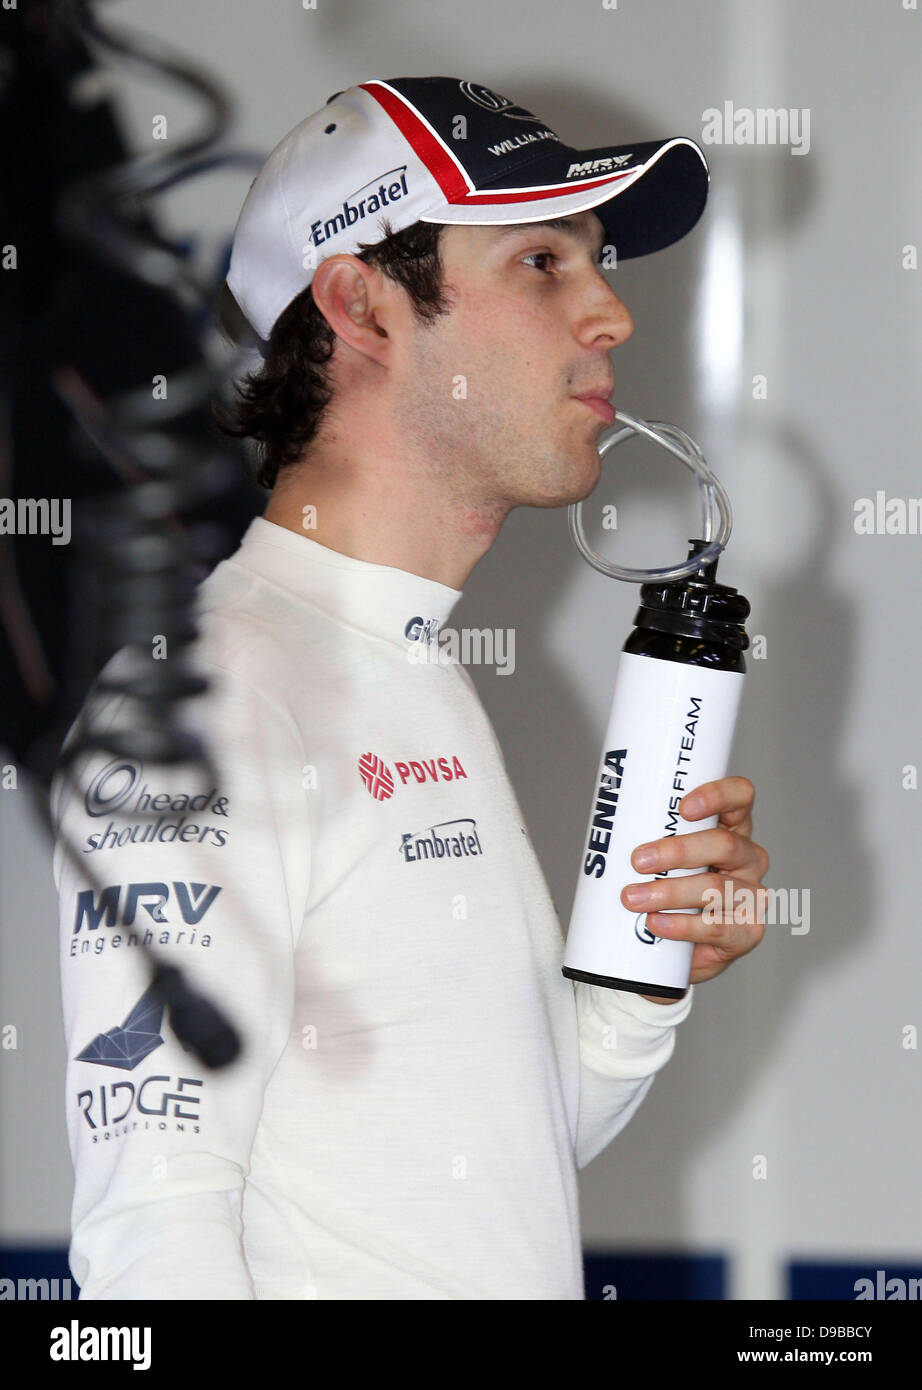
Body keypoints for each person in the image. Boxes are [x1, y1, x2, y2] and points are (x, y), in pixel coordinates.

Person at [52, 75, 769, 1300]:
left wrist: (646, 971)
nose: (611, 317)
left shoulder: (404, 664)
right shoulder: (215, 693)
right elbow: (150, 1239)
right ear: (363, 305)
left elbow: (488, 1171)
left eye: (596, 263)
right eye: (543, 263)